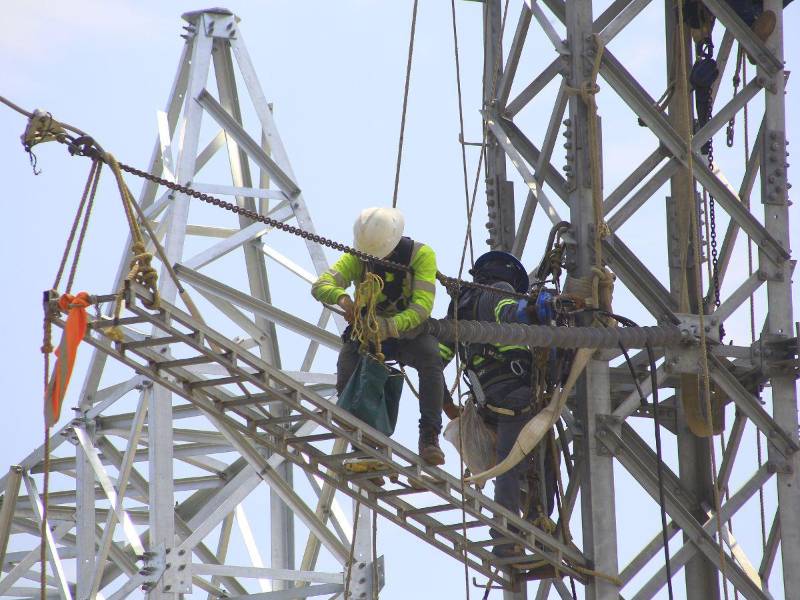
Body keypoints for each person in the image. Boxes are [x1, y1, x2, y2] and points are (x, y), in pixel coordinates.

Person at [438, 251, 560, 557]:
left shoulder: (460, 305)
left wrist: (445, 403)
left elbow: (434, 359)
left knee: (512, 457)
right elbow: (510, 312)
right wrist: (539, 310)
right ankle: (518, 526)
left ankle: (520, 523)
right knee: (526, 456)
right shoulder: (500, 293)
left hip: (485, 399)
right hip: (515, 393)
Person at [311, 207, 446, 466]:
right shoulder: (359, 257)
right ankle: (363, 445)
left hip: (408, 332)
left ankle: (429, 437)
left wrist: (389, 326)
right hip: (368, 334)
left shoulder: (421, 255)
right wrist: (342, 298)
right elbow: (321, 285)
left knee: (430, 359)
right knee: (348, 373)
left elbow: (421, 307)